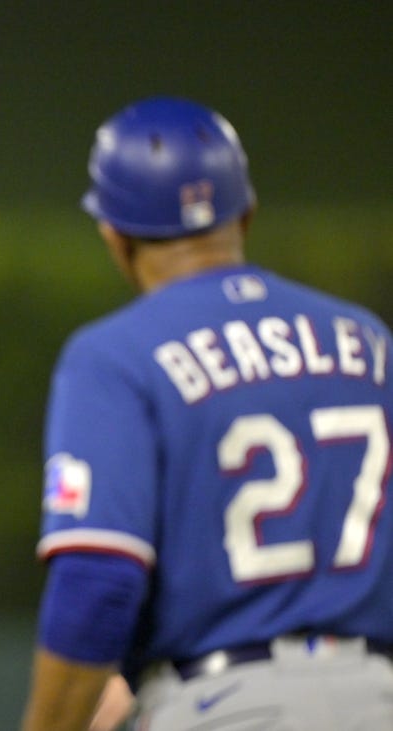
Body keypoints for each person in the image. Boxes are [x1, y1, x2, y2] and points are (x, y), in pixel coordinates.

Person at [21, 96, 393, 731]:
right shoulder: (368, 342)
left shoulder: (113, 356)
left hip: (226, 705)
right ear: (244, 213)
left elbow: (98, 582)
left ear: (114, 234)